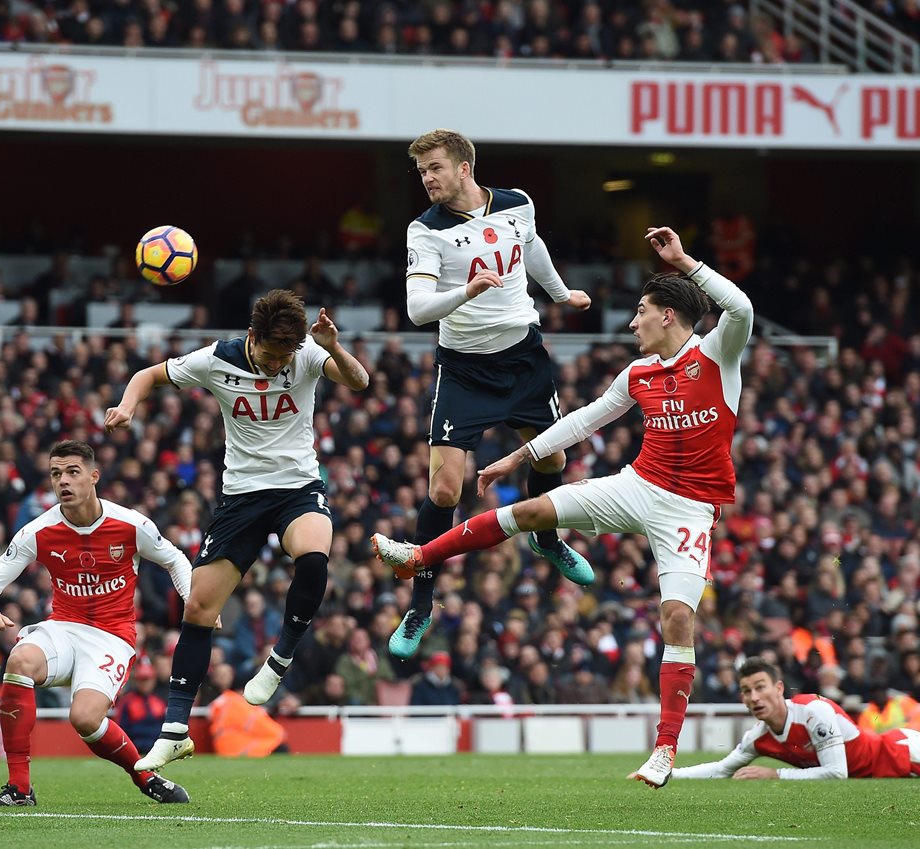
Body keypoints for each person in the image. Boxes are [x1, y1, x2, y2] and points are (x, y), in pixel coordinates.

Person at [372, 226, 754, 788]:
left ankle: (664, 751)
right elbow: (583, 420)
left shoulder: (719, 355)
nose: (631, 323)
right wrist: (516, 458)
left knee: (677, 618)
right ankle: (418, 557)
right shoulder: (638, 374)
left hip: (690, 510)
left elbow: (740, 306)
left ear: (668, 316)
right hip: (637, 486)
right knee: (528, 513)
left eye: (641, 311)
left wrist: (684, 261)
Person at [104, 289, 369, 771]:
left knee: (314, 556)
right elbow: (148, 375)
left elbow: (360, 381)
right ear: (252, 338)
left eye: (283, 357)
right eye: (269, 355)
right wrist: (127, 407)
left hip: (296, 487)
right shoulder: (215, 359)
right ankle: (175, 732)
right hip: (241, 497)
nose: (275, 366)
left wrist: (333, 346)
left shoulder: (307, 354)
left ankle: (280, 661)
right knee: (200, 608)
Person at [394, 128, 595, 661]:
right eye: (421, 172)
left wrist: (560, 292)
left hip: (524, 358)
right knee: (444, 490)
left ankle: (546, 540)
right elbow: (417, 310)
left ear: (464, 167)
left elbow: (532, 247)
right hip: (463, 370)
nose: (428, 179)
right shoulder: (426, 230)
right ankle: (421, 600)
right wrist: (466, 292)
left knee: (554, 456)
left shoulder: (516, 204)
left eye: (435, 168)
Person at [0, 440, 194, 807]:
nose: (64, 482)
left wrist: (192, 602)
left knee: (85, 719)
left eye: (73, 472)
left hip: (112, 637)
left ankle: (144, 776)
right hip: (63, 626)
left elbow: (176, 560)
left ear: (93, 477)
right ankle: (19, 788)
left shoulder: (131, 525)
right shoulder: (38, 531)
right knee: (19, 661)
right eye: (56, 474)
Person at [672, 658, 920, 780]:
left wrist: (775, 775)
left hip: (902, 753)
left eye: (760, 687)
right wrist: (667, 774)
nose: (755, 697)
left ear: (779, 688)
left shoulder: (813, 711)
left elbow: (836, 773)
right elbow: (720, 770)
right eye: (747, 691)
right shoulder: (758, 737)